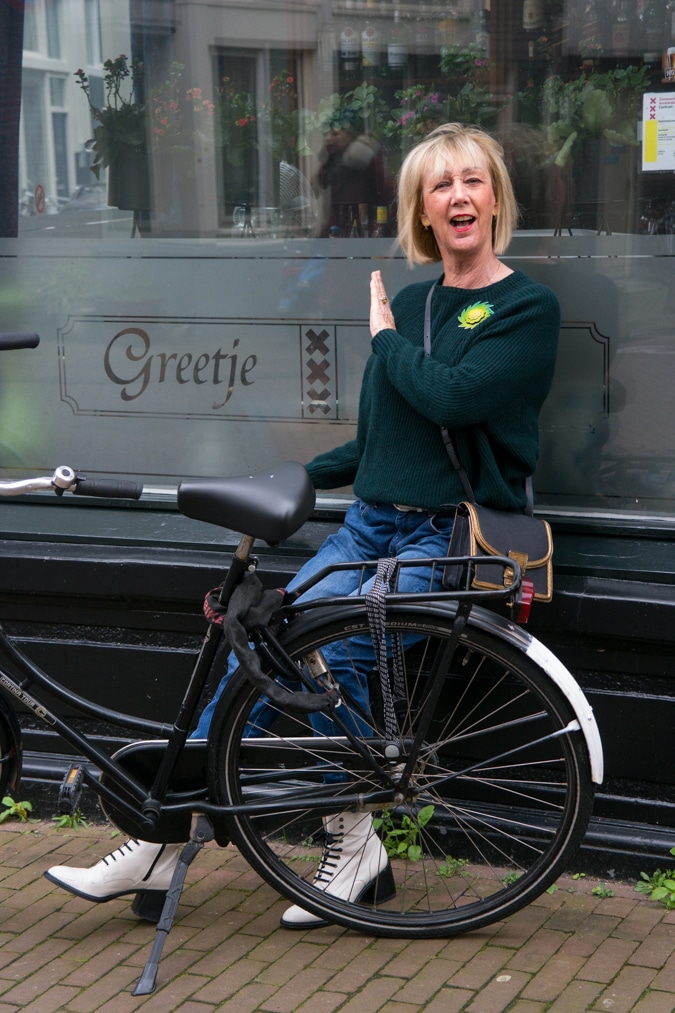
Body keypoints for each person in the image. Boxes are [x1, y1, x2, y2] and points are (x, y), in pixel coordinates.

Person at [45, 122, 561, 929]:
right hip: (369, 525)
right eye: (440, 185)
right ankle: (167, 832)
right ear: (421, 209)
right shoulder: (415, 301)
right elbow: (379, 440)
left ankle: (346, 842)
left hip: (444, 533)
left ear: (495, 197)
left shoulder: (524, 308)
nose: (458, 196)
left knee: (337, 649)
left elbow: (453, 398)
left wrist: (383, 338)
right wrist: (284, 478)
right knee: (257, 649)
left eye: (472, 181)